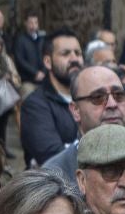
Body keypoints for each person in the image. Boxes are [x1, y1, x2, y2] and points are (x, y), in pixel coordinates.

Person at [45, 64, 125, 185]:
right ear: (76, 110)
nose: (112, 104)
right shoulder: (53, 176)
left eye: (119, 95)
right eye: (98, 97)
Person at [20, 31, 85, 167]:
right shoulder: (35, 105)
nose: (74, 59)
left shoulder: (89, 98)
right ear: (48, 62)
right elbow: (54, 159)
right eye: (65, 53)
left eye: (78, 53)